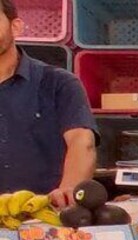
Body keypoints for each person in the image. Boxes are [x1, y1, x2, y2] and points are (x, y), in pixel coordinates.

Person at [0, 0, 97, 208]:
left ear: (15, 26)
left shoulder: (58, 83)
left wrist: (68, 190)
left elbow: (82, 141)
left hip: (46, 215)